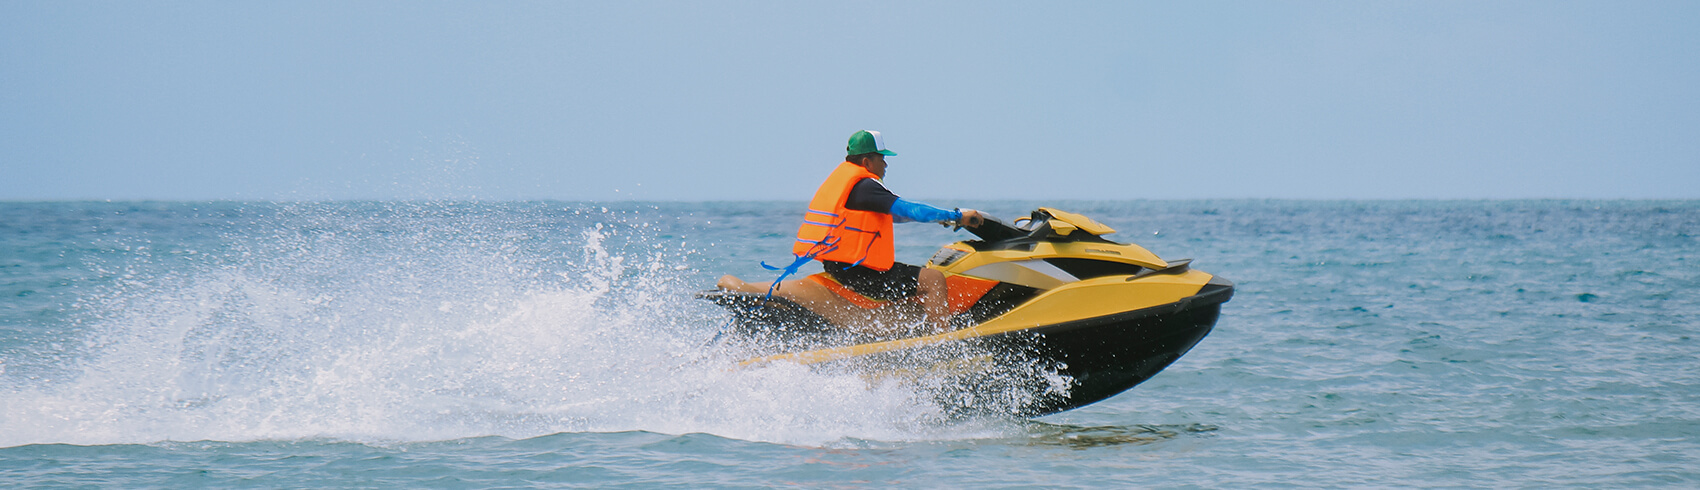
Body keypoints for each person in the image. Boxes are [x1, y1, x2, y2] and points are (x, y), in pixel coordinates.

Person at [722, 130, 983, 333]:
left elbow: (896, 216)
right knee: (934, 279)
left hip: (842, 269)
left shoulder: (848, 185)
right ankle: (943, 344)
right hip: (863, 275)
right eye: (882, 159)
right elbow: (910, 209)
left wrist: (941, 221)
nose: (886, 165)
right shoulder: (866, 186)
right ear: (868, 160)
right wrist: (957, 216)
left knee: (916, 280)